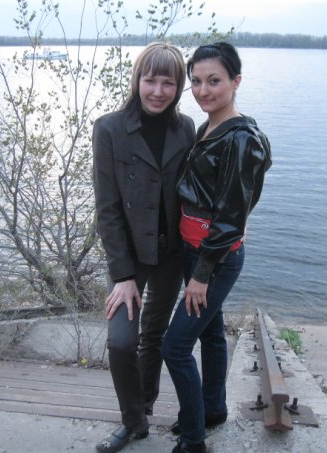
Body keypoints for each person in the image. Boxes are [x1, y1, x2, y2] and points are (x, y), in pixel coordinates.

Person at [162, 42, 272, 453]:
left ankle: (193, 439)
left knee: (175, 347)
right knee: (210, 335)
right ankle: (212, 409)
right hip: (196, 250)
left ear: (235, 81)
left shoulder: (241, 139)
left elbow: (230, 217)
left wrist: (201, 275)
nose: (203, 91)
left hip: (214, 258)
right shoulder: (208, 128)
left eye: (214, 81)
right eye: (196, 82)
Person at [92, 42, 195, 453]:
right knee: (121, 342)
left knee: (154, 334)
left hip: (171, 255)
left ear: (179, 86)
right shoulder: (109, 128)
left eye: (168, 82)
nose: (158, 91)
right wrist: (122, 276)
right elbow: (107, 207)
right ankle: (131, 420)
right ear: (137, 80)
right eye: (150, 80)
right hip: (130, 258)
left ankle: (143, 412)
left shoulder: (185, 129)